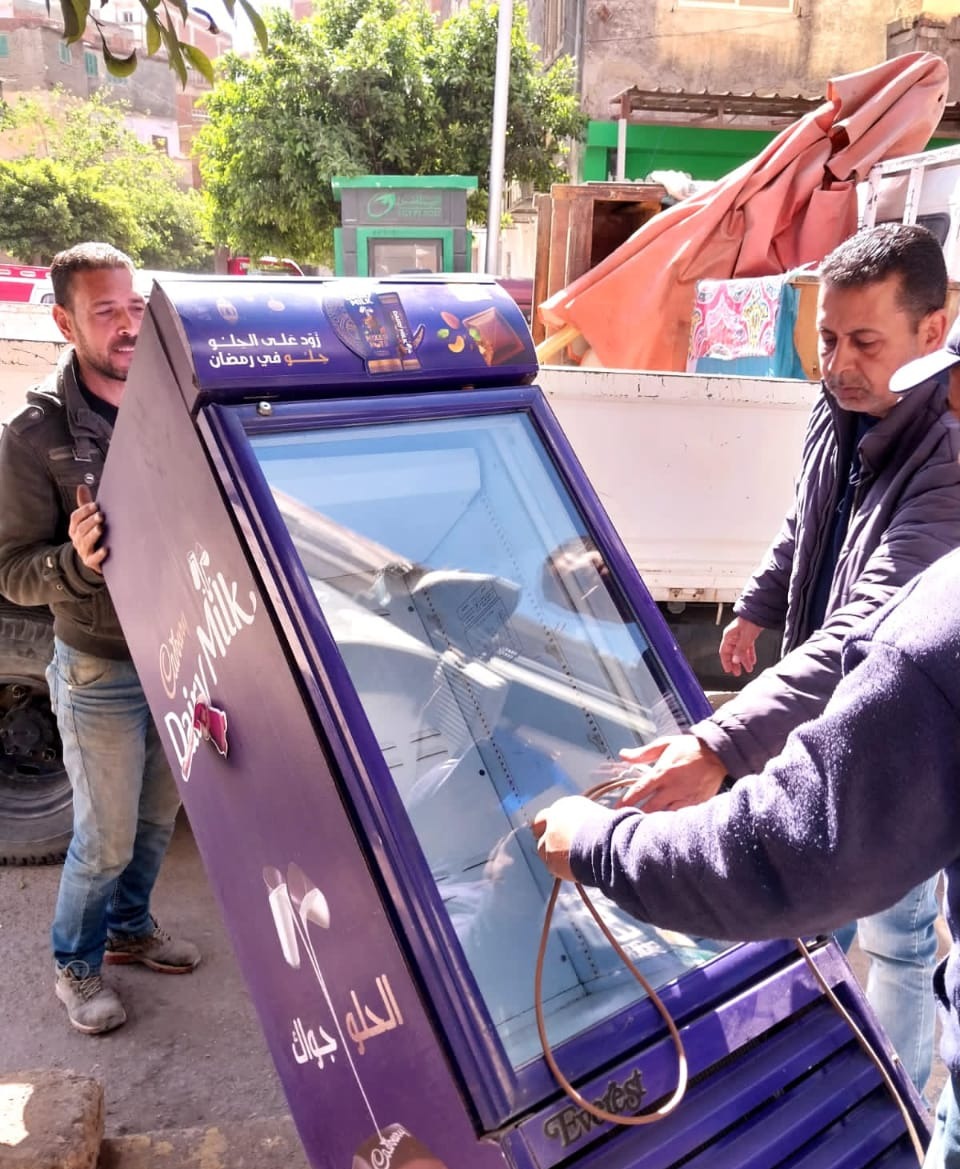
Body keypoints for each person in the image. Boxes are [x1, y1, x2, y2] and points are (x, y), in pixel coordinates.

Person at [613, 223, 960, 1094]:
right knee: (813, 924)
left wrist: (721, 743)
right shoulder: (839, 408)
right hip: (827, 705)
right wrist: (759, 605)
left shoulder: (948, 459)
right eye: (828, 339)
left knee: (897, 936)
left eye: (865, 342)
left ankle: (897, 1097)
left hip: (896, 736)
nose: (839, 364)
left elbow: (861, 631)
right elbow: (803, 520)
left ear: (933, 330)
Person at [531, 541, 960, 1167]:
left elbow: (799, 851)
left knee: (896, 942)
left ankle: (894, 1081)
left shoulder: (938, 618)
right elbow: (803, 538)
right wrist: (759, 608)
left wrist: (600, 844)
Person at [0, 242, 199, 1035]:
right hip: (100, 665)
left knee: (156, 821)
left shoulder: (177, 395)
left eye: (134, 307)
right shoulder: (32, 433)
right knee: (106, 836)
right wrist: (77, 564)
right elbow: (11, 571)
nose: (127, 326)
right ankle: (76, 967)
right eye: (105, 312)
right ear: (65, 321)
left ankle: (130, 929)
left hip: (181, 655)